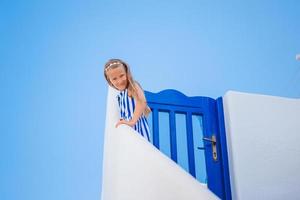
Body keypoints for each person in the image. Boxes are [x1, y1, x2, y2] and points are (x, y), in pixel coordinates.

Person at [104, 58, 151, 142]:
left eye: (122, 75)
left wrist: (132, 121)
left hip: (137, 128)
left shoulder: (132, 86)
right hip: (127, 131)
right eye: (114, 79)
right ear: (110, 81)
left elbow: (141, 101)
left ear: (127, 73)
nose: (119, 81)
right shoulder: (120, 96)